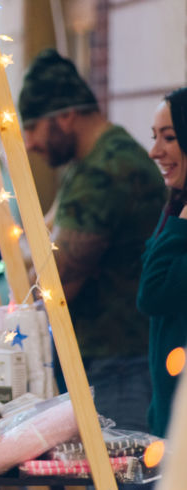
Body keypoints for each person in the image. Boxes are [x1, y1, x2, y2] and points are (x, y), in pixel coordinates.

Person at [18, 49, 165, 432]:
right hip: (113, 359)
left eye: (32, 126)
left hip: (120, 365)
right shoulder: (92, 162)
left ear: (66, 116)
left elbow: (55, 283)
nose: (29, 142)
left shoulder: (104, 172)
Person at [137, 87, 187, 437]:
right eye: (155, 137)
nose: (155, 151)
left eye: (169, 137)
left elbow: (152, 294)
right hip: (168, 420)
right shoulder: (177, 208)